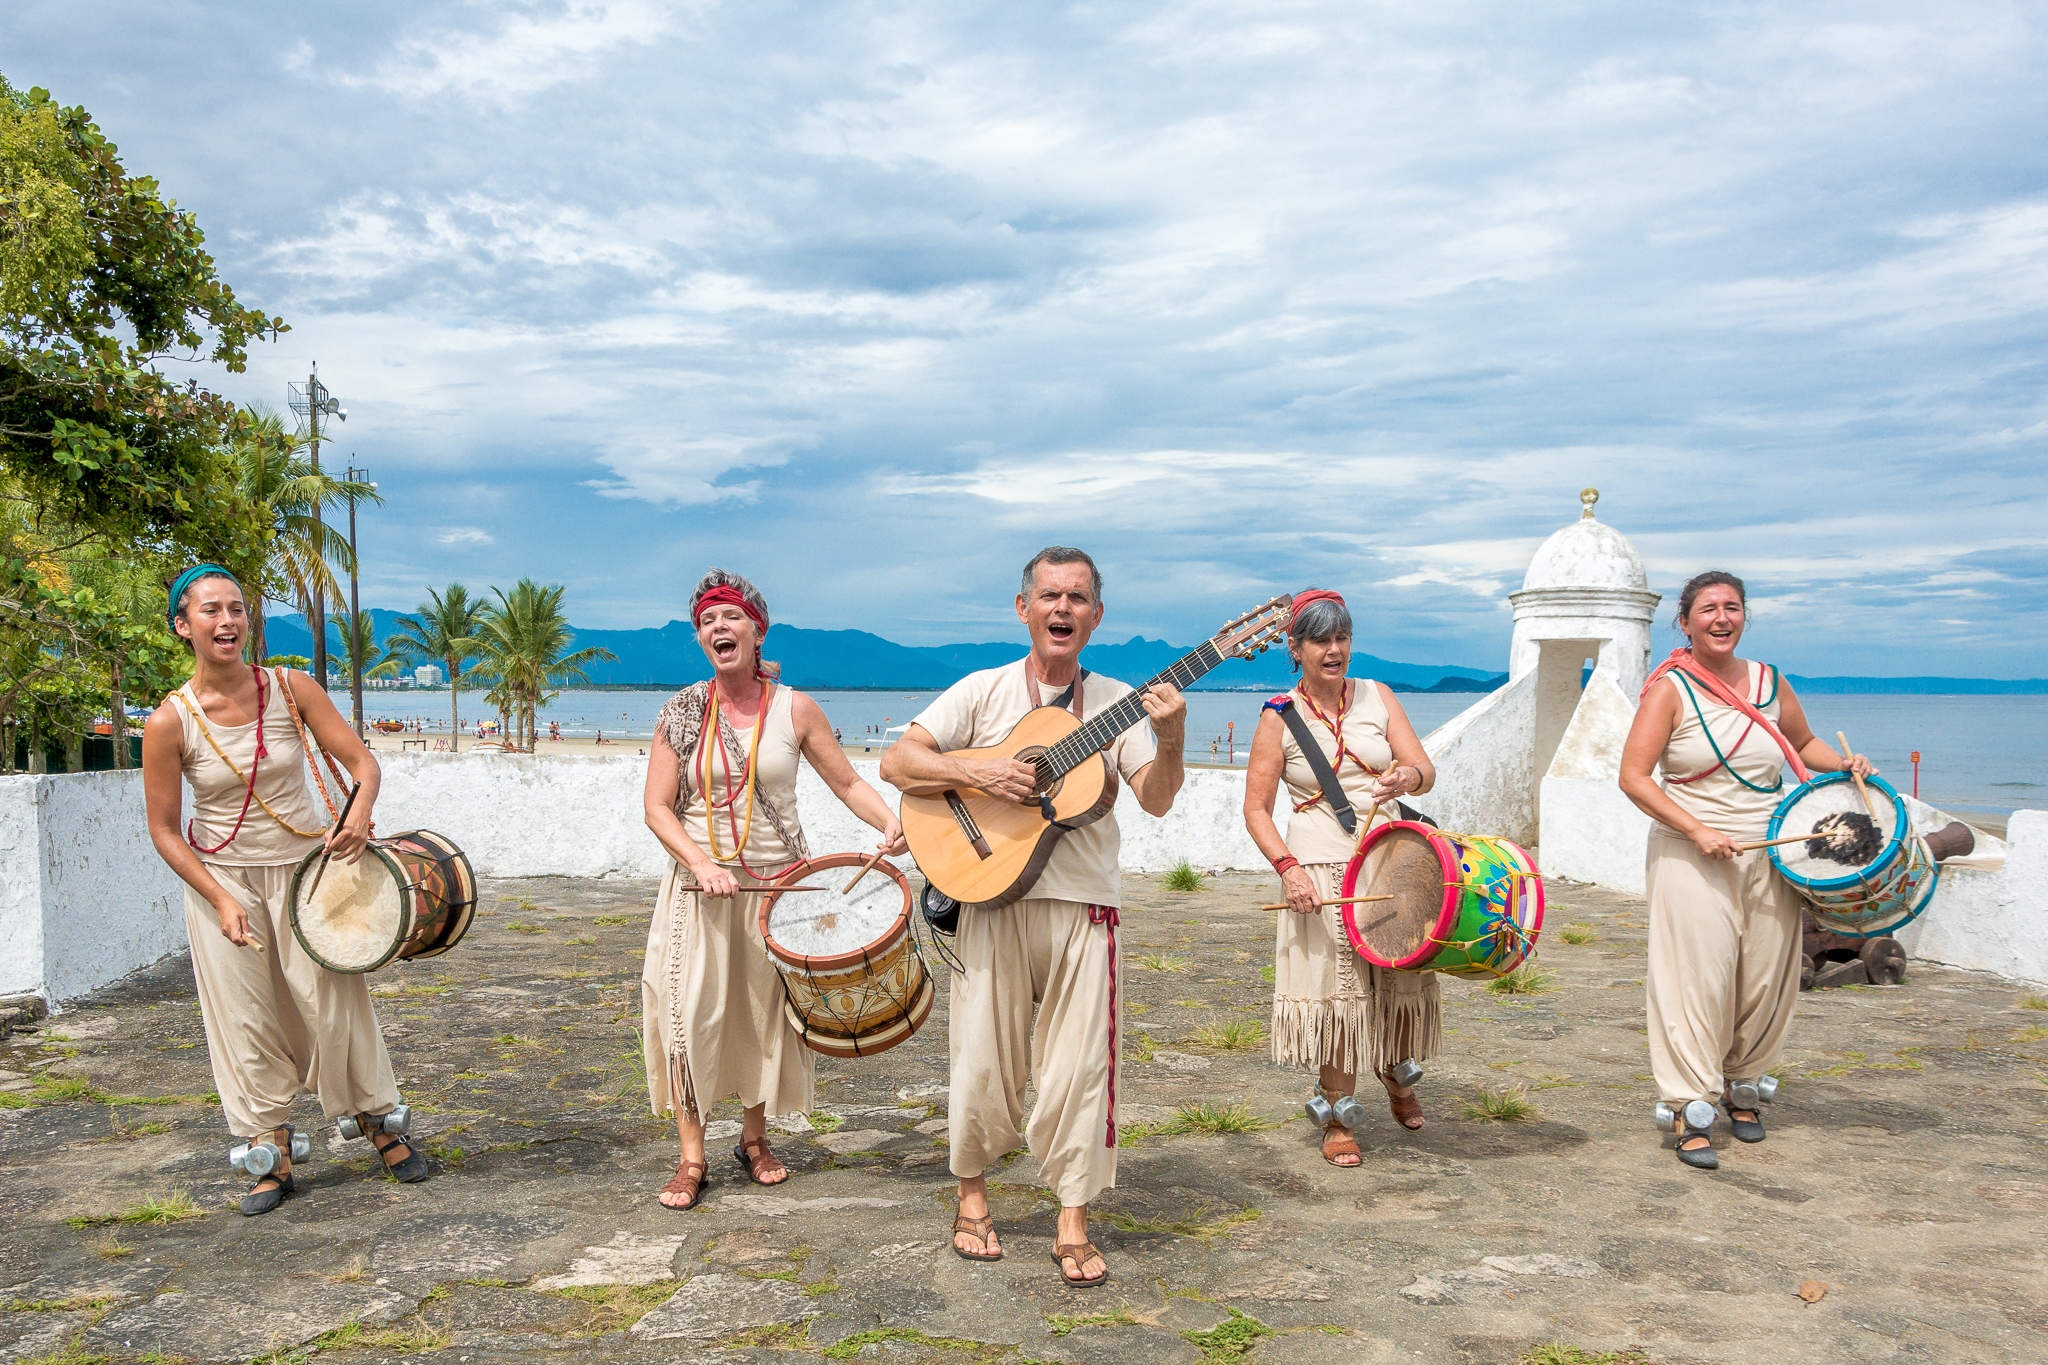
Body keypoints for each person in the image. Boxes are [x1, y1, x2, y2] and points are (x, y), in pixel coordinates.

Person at [880, 546, 1187, 1287]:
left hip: (1086, 905)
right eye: (1049, 595)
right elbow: (898, 762)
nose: (1062, 609)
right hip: (991, 893)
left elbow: (1156, 796)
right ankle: (972, 1198)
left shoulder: (1119, 701)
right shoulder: (982, 692)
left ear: (1097, 615)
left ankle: (1073, 1218)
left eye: (1077, 598)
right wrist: (975, 769)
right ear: (1023, 608)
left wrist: (1172, 733)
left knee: (1083, 1065)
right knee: (983, 1055)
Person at [141, 566, 427, 1216]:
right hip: (225, 883)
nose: (227, 621)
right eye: (210, 610)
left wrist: (358, 811)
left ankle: (379, 1119)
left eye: (237, 608)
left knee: (333, 999)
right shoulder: (169, 722)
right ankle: (270, 1149)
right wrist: (217, 897)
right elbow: (163, 830)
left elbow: (363, 762)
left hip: (307, 873)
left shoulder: (290, 688)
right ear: (183, 626)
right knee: (245, 1015)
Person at [641, 568, 906, 1209]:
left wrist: (891, 820)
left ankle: (754, 1140)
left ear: (758, 630)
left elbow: (846, 782)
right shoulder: (681, 710)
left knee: (764, 1016)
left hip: (780, 889)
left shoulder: (796, 708)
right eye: (707, 621)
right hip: (698, 891)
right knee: (690, 1014)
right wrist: (702, 865)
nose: (718, 628)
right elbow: (656, 808)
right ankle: (691, 1155)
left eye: (730, 617)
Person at [1618, 571, 1873, 1170]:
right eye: (1707, 609)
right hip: (1692, 850)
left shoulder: (1770, 681)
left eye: (1732, 607)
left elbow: (1802, 742)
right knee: (1696, 978)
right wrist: (1697, 828)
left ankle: (1743, 1085)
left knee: (1765, 976)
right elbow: (1633, 777)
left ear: (1744, 617)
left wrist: (1846, 763)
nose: (1721, 618)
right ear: (1685, 623)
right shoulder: (1671, 690)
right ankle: (1688, 1105)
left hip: (1773, 849)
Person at [1241, 590, 1438, 1167]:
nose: (1334, 650)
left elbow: (1424, 770)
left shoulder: (1379, 696)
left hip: (1392, 856)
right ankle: (1338, 1109)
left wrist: (1406, 777)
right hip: (1321, 866)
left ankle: (1397, 1075)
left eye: (1342, 638)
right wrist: (1288, 869)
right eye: (1321, 640)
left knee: (1399, 976)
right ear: (1295, 647)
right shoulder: (1278, 716)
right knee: (1337, 994)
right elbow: (1256, 809)